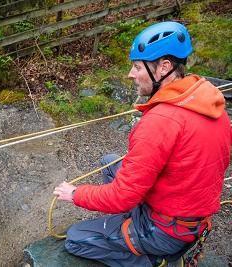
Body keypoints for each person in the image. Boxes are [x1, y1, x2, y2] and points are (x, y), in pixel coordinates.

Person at [53, 21, 230, 267]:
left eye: (137, 67)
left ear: (163, 67)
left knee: (75, 239)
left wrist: (75, 194)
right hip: (189, 214)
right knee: (109, 162)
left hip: (166, 230)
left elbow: (122, 197)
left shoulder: (160, 121)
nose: (130, 74)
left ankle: (152, 259)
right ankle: (133, 227)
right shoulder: (208, 102)